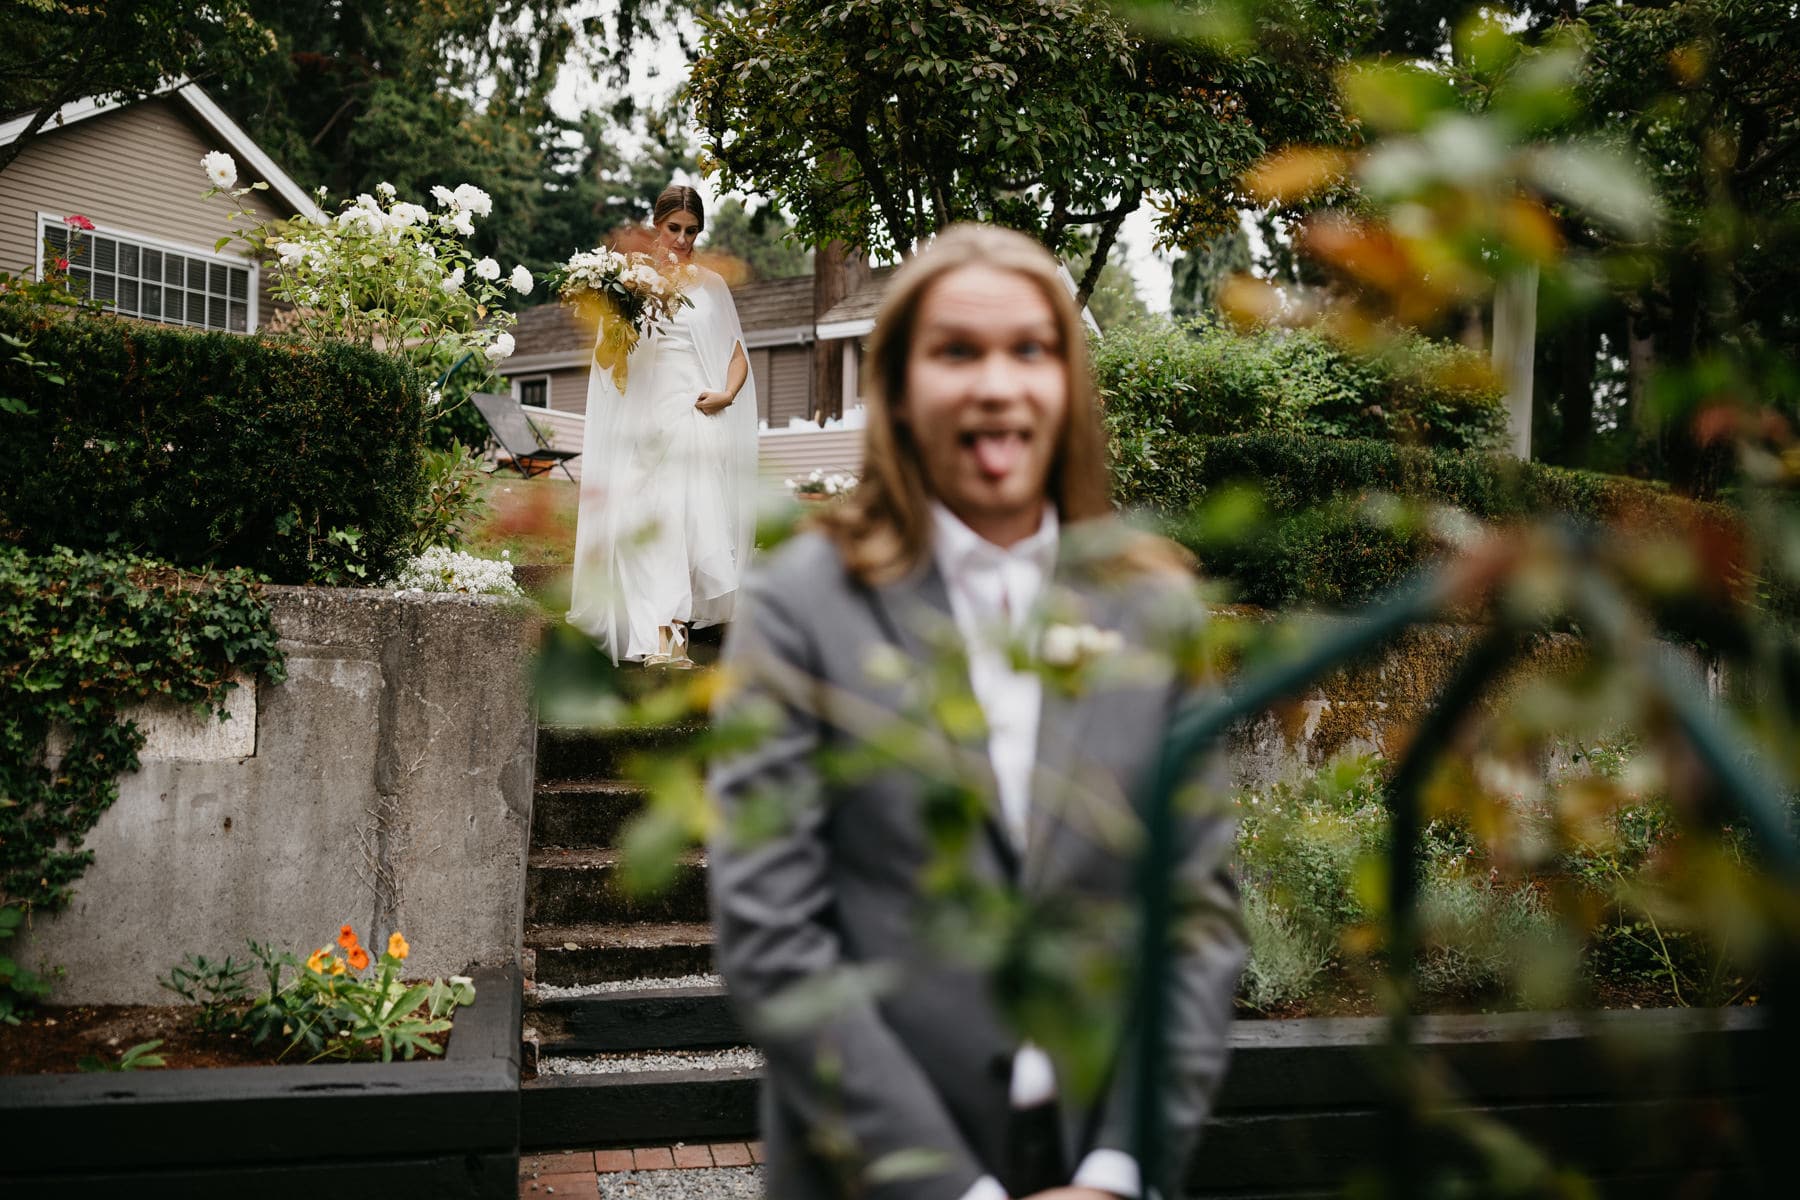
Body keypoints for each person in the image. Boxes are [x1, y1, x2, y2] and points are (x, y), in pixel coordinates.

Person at [708, 224, 1245, 1200]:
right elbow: (770, 931)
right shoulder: (800, 604)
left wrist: (1124, 1167)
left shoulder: (1152, 610)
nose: (997, 384)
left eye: (1029, 351)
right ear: (902, 390)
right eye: (958, 351)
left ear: (1069, 387)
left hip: (1098, 1163)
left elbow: (1197, 916)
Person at [569, 184, 760, 666]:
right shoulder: (629, 279)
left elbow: (737, 357)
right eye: (674, 228)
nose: (682, 239)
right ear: (657, 225)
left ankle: (668, 640)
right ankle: (653, 636)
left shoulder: (711, 285)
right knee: (644, 520)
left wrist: (727, 394)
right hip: (643, 416)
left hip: (693, 413)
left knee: (681, 519)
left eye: (692, 231)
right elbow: (609, 361)